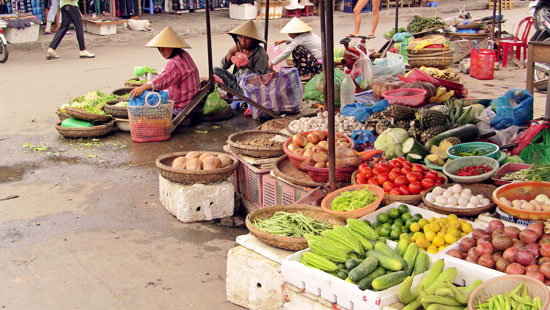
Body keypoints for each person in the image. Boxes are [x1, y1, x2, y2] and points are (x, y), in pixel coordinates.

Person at [129, 27, 201, 116]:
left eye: (164, 48)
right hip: (192, 100)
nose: (162, 51)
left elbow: (163, 79)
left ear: (173, 46)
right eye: (159, 48)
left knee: (145, 97)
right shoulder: (183, 54)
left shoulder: (174, 62)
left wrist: (144, 87)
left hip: (183, 105)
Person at [214, 20, 270, 93]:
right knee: (215, 70)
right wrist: (230, 53)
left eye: (247, 38)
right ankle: (233, 91)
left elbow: (260, 78)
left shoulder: (260, 54)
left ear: (253, 40)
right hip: (237, 83)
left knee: (244, 71)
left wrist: (247, 67)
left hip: (252, 89)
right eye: (241, 37)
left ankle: (238, 93)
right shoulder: (237, 49)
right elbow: (224, 66)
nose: (243, 41)